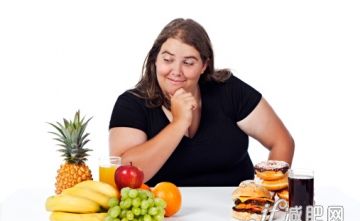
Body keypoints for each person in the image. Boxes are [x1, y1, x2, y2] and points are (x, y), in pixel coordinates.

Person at [109, 18, 295, 187]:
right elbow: (124, 174)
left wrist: (270, 195)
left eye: (188, 63)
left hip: (233, 212)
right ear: (155, 60)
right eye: (167, 60)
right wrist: (179, 123)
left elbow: (281, 142)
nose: (176, 71)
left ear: (204, 66)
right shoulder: (131, 104)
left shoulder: (229, 90)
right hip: (165, 216)